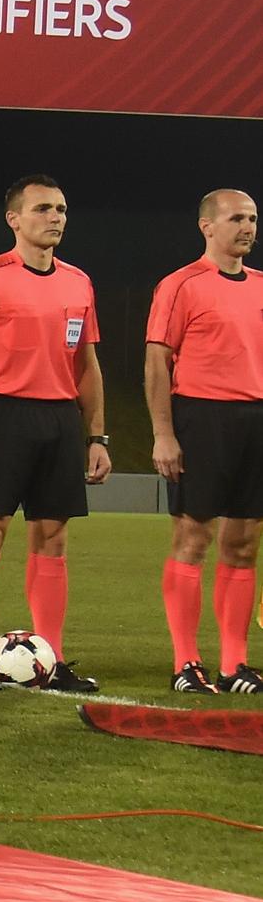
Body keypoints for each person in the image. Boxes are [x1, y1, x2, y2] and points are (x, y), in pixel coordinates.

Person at [0, 175, 105, 694]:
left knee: (53, 538)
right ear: (14, 219)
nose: (54, 217)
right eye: (42, 209)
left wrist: (97, 436)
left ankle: (49, 663)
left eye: (60, 208)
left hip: (58, 420)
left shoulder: (78, 281)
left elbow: (88, 366)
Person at [145, 187, 263, 694]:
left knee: (243, 543)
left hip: (255, 419)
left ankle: (235, 665)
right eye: (237, 218)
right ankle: (186, 663)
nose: (248, 227)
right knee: (194, 538)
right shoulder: (180, 285)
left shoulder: (261, 285)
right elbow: (156, 363)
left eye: (253, 219)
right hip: (200, 417)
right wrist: (164, 433)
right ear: (207, 226)